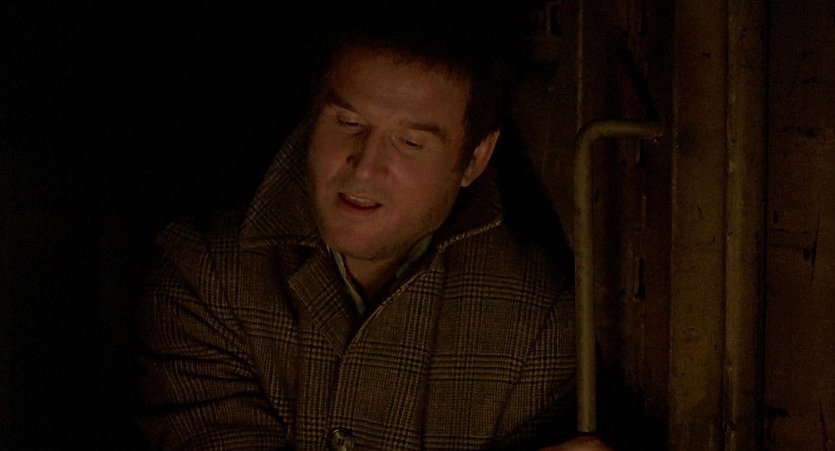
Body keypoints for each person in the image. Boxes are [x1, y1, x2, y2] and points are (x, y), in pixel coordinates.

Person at [137, 2, 610, 449]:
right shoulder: (207, 273)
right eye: (348, 122)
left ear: (475, 157)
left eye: (409, 142)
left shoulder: (536, 324)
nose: (365, 167)